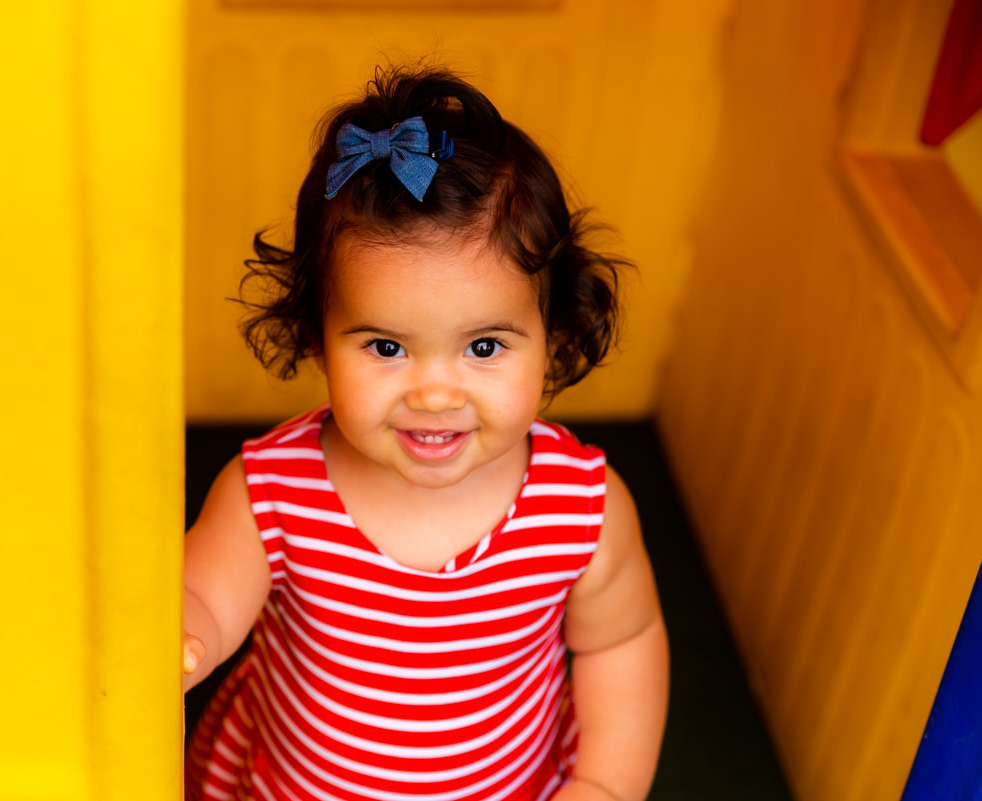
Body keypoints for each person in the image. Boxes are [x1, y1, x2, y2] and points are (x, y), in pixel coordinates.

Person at [182, 64, 668, 801]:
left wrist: (603, 782)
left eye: (484, 346)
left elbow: (622, 642)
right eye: (386, 346)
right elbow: (204, 596)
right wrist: (184, 631)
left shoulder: (582, 510)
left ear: (554, 332)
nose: (434, 394)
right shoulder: (272, 490)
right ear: (316, 336)